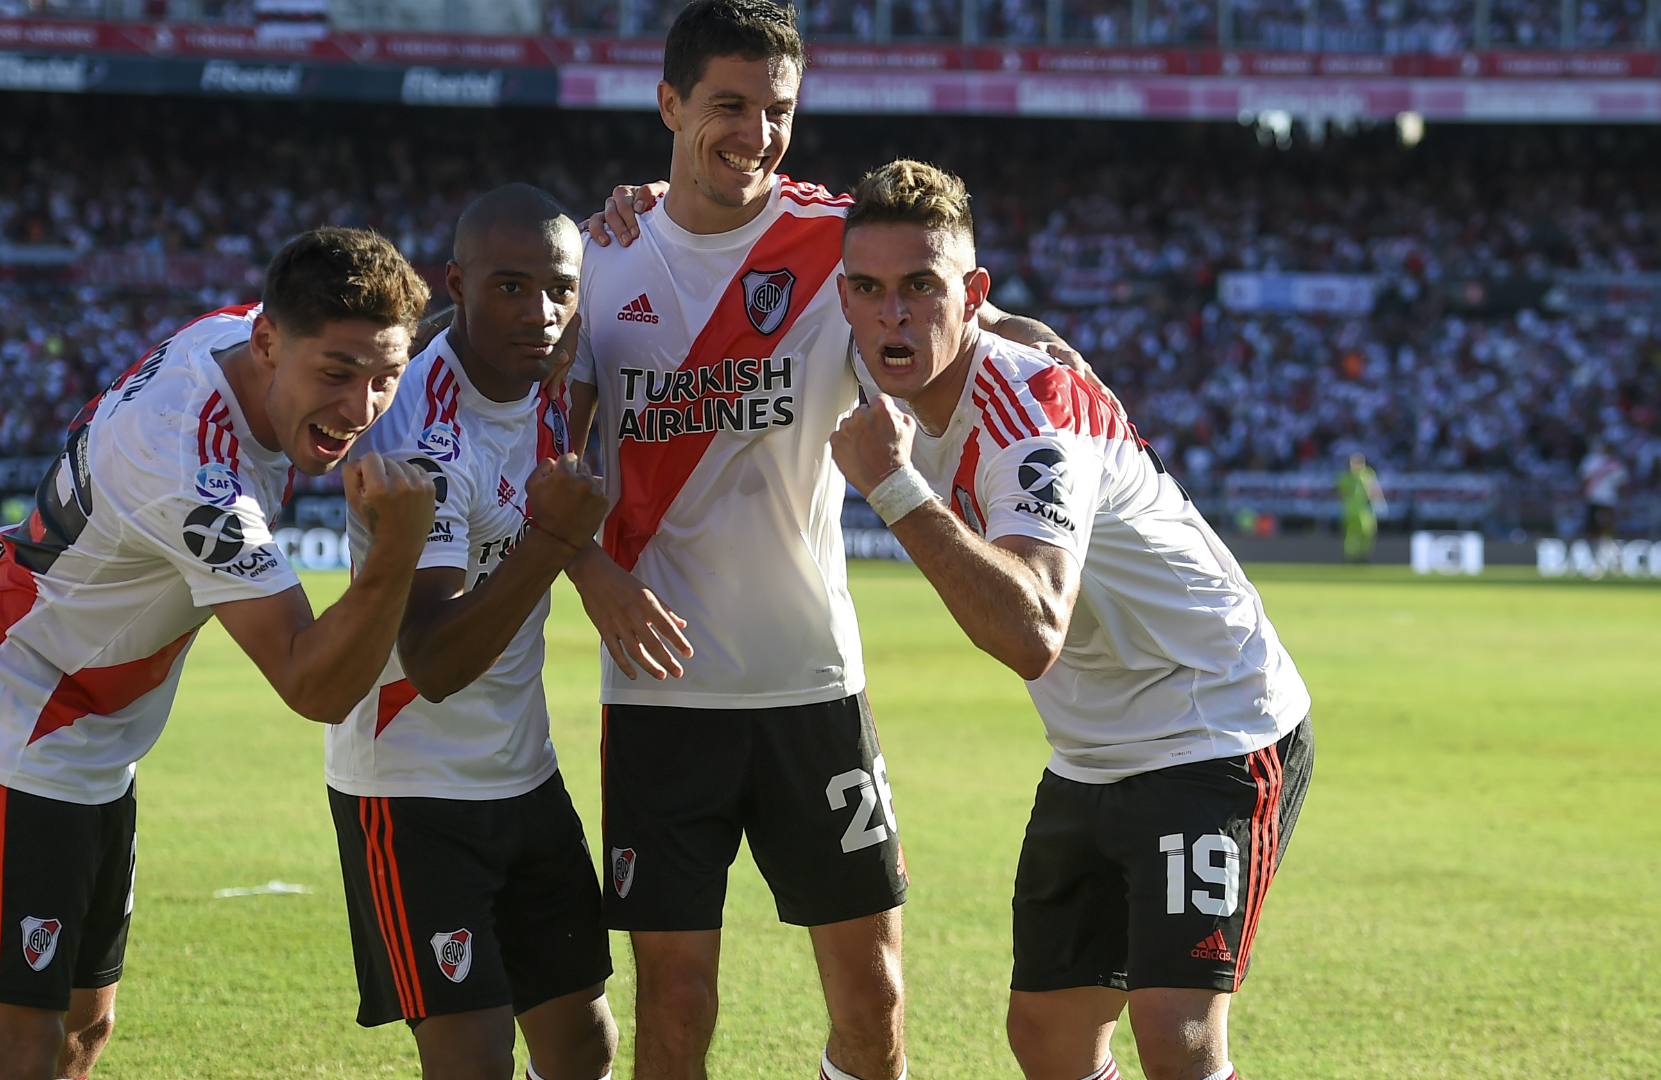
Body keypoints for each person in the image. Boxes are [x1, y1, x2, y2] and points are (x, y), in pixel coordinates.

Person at [565, 5, 1077, 1079]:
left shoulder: (836, 247)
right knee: (674, 1008)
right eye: (729, 106)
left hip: (812, 685)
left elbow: (963, 332)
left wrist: (1067, 376)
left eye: (778, 110)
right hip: (661, 697)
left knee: (875, 998)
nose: (756, 133)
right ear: (669, 105)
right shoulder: (598, 262)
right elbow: (541, 461)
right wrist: (592, 571)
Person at [0, 227, 437, 1080]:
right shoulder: (193, 471)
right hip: (10, 732)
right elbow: (311, 683)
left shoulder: (236, 333)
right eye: (336, 374)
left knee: (82, 1032)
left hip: (95, 745)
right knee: (16, 1055)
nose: (363, 406)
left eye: (385, 377)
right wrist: (398, 552)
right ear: (269, 342)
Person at [826, 160, 1313, 1080]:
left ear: (971, 294)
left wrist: (892, 487)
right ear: (844, 297)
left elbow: (1032, 630)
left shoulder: (1033, 408)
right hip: (1090, 752)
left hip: (1214, 720)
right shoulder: (861, 351)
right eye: (871, 289)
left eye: (923, 288)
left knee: (1175, 1034)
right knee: (1047, 1034)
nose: (894, 314)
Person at [328, 185, 620, 1080]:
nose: (540, 313)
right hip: (411, 786)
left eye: (560, 289)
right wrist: (560, 538)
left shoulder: (552, 376)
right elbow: (435, 656)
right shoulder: (414, 428)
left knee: (581, 1043)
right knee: (474, 1059)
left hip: (521, 771)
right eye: (508, 287)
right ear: (454, 284)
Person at [1334, 453, 1385, 564]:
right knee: (1351, 534)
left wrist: (1378, 501)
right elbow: (1340, 492)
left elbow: (1373, 490)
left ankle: (1362, 556)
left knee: (1366, 533)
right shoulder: (1346, 477)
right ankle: (1350, 557)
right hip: (1351, 510)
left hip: (1364, 510)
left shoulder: (1366, 475)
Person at [1579, 440, 1627, 542]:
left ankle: (1609, 542)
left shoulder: (1615, 462)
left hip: (1609, 498)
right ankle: (1592, 543)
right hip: (1593, 497)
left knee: (1608, 523)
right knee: (1592, 523)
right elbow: (1584, 478)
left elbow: (1622, 481)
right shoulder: (1591, 459)